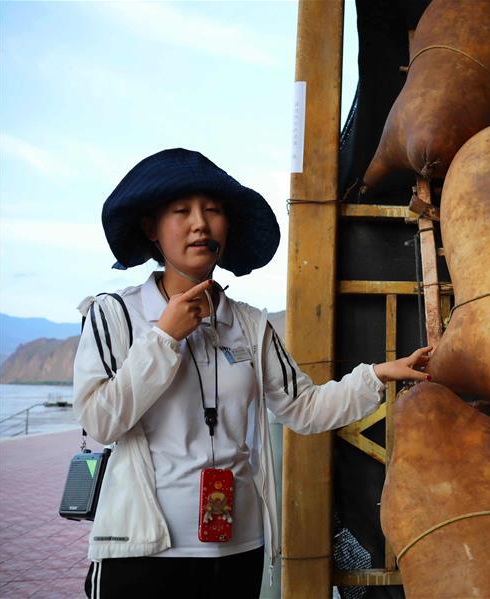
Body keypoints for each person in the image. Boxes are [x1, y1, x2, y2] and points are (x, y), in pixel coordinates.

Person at [73, 148, 432, 598]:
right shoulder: (115, 315)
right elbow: (100, 422)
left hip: (236, 547)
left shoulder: (248, 324)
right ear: (151, 229)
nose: (200, 223)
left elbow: (303, 409)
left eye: (213, 210)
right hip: (142, 553)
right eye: (181, 212)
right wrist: (164, 338)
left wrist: (378, 374)